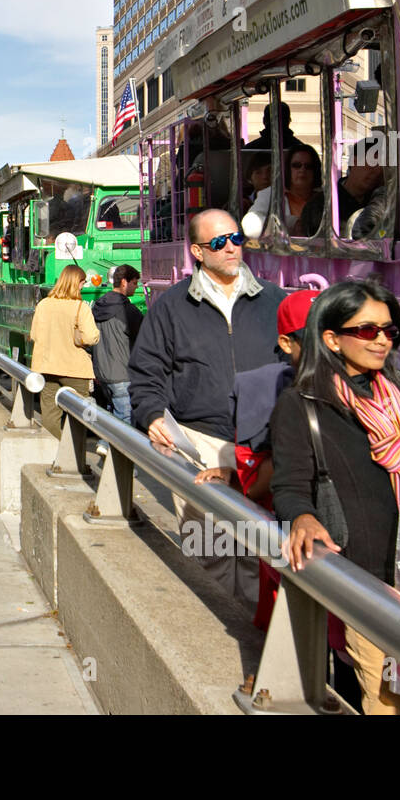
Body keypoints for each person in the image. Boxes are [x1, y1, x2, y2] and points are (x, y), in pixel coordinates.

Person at [273, 279, 400, 715]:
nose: (382, 339)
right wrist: (302, 518)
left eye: (389, 330)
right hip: (369, 584)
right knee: (388, 708)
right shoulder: (303, 404)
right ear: (332, 339)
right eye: (367, 330)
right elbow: (288, 487)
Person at [128, 209, 286, 604]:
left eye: (236, 239)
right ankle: (217, 639)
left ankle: (253, 648)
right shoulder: (173, 307)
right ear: (198, 251)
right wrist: (150, 415)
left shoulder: (274, 301)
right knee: (209, 553)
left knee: (257, 555)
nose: (231, 247)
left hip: (261, 447)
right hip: (199, 443)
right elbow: (147, 369)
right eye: (219, 242)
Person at [195, 288, 320, 630]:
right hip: (293, 545)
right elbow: (258, 485)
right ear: (286, 342)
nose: (330, 344)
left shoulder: (380, 393)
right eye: (315, 336)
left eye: (337, 330)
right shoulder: (267, 392)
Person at [29, 265, 100, 443]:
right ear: (76, 283)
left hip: (46, 367)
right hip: (75, 369)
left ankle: (53, 452)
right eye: (82, 283)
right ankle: (74, 457)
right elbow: (91, 337)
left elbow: (34, 335)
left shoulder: (43, 304)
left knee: (50, 415)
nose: (83, 287)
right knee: (78, 417)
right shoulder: (80, 307)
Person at [90, 263, 143, 453]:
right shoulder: (128, 311)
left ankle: (104, 444)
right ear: (123, 282)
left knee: (114, 413)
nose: (136, 287)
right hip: (122, 372)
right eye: (134, 283)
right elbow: (144, 340)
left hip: (102, 371)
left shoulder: (97, 306)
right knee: (126, 419)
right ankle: (121, 459)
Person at [245, 142, 321, 236]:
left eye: (309, 166)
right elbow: (250, 224)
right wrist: (291, 223)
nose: (302, 170)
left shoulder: (327, 198)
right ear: (287, 169)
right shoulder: (270, 195)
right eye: (296, 165)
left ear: (316, 170)